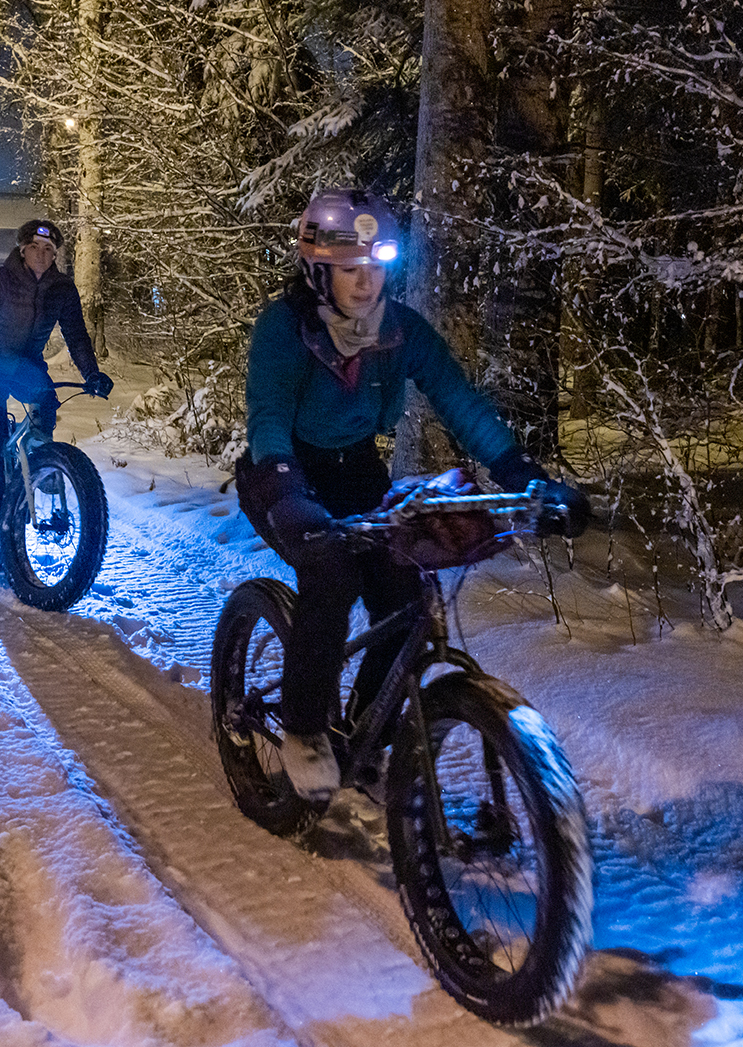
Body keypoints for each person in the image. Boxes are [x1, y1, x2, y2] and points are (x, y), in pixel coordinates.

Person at [237, 188, 590, 804]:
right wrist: (291, 495)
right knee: (332, 573)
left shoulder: (400, 332)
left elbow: (459, 400)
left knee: (404, 592)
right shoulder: (283, 329)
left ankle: (363, 734)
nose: (367, 283)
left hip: (357, 473)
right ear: (319, 271)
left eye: (377, 269)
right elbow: (268, 417)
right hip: (284, 472)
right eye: (351, 270)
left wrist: (521, 474)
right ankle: (302, 731)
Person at [0, 219, 112, 564]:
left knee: (46, 405)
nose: (41, 255)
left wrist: (92, 373)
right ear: (22, 250)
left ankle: (39, 458)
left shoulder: (62, 288)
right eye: (35, 248)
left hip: (26, 365)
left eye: (49, 250)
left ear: (55, 254)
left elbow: (77, 335)